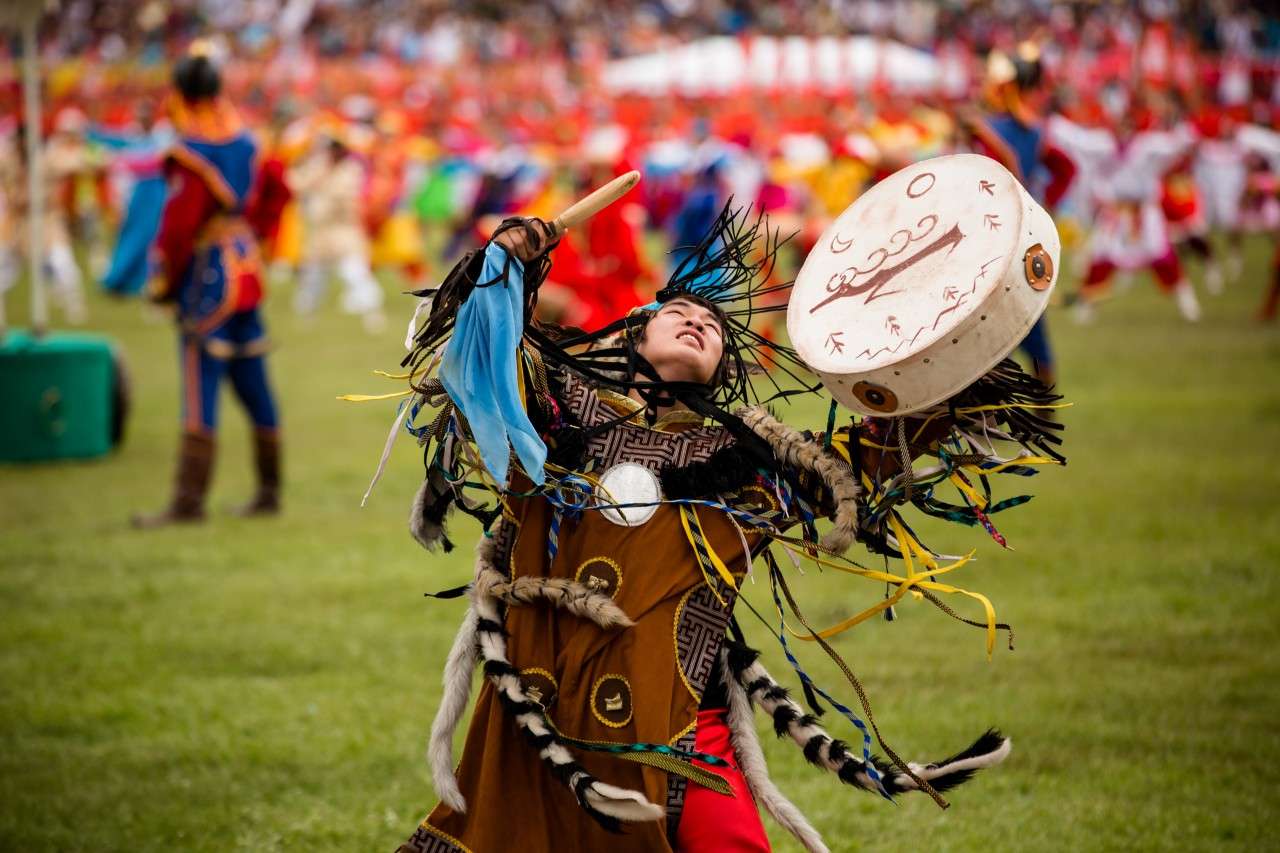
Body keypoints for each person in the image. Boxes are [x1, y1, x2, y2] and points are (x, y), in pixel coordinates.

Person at [382, 200, 1066, 852]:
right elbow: (479, 360)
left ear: (721, 370)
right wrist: (506, 266)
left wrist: (948, 364)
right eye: (675, 311)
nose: (696, 321)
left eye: (709, 325)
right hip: (538, 720)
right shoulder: (550, 420)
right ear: (630, 333)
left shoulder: (746, 466)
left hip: (683, 726)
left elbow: (866, 461)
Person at [133, 48, 285, 528]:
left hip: (209, 277)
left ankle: (188, 502)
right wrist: (256, 233)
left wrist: (163, 282)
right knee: (253, 378)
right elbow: (280, 188)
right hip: (247, 271)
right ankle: (268, 491)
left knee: (201, 385)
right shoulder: (247, 140)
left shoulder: (191, 150)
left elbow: (178, 229)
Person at [288, 128, 387, 333]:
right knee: (313, 278)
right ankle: (306, 315)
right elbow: (295, 184)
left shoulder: (350, 169)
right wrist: (313, 169)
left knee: (355, 273)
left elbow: (345, 197)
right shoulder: (317, 167)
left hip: (343, 231)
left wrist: (321, 178)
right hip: (320, 232)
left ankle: (372, 313)